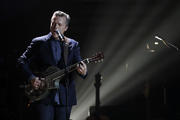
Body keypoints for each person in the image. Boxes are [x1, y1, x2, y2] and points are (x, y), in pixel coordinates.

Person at [17, 10, 87, 120]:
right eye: (53, 23)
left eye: (59, 24)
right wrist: (31, 78)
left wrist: (83, 72)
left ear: (66, 28)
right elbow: (21, 61)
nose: (55, 27)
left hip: (65, 95)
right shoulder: (39, 42)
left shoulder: (73, 44)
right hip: (43, 94)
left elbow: (79, 64)